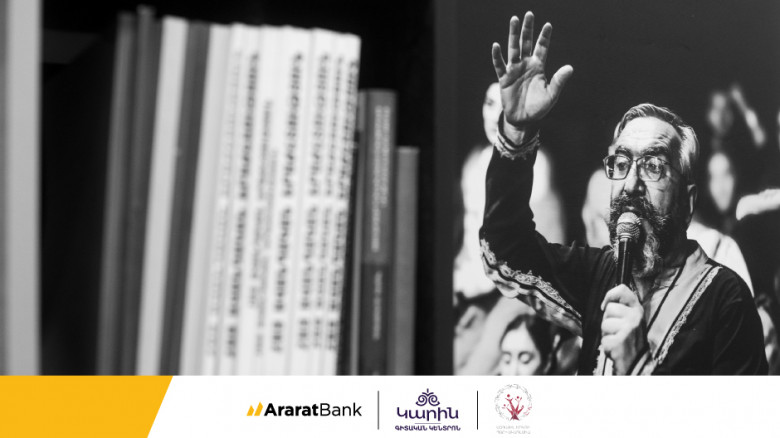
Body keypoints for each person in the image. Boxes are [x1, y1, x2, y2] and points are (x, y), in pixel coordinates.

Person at [480, 12, 767, 375]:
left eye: (653, 166)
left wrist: (638, 363)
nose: (631, 184)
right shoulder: (600, 272)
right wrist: (517, 130)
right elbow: (503, 252)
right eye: (621, 163)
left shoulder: (727, 300)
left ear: (688, 202)